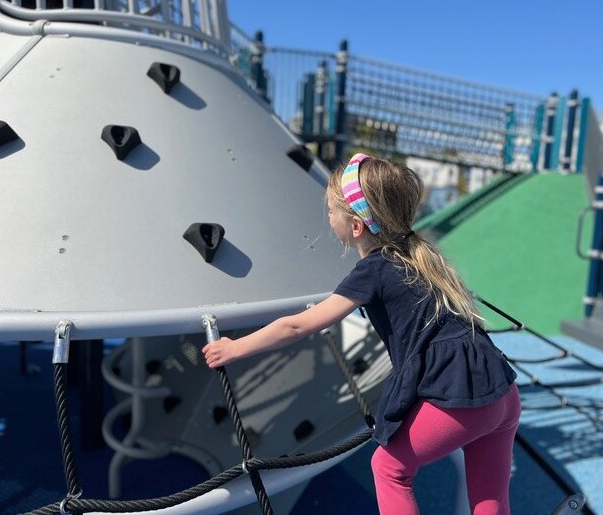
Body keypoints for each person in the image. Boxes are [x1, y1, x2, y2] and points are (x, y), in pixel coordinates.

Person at [202, 153, 521, 515]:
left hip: (464, 399)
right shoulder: (420, 255)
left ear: (356, 226)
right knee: (489, 497)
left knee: (389, 469)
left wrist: (233, 348)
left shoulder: (374, 269)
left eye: (331, 211)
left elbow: (297, 325)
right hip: (503, 392)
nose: (327, 217)